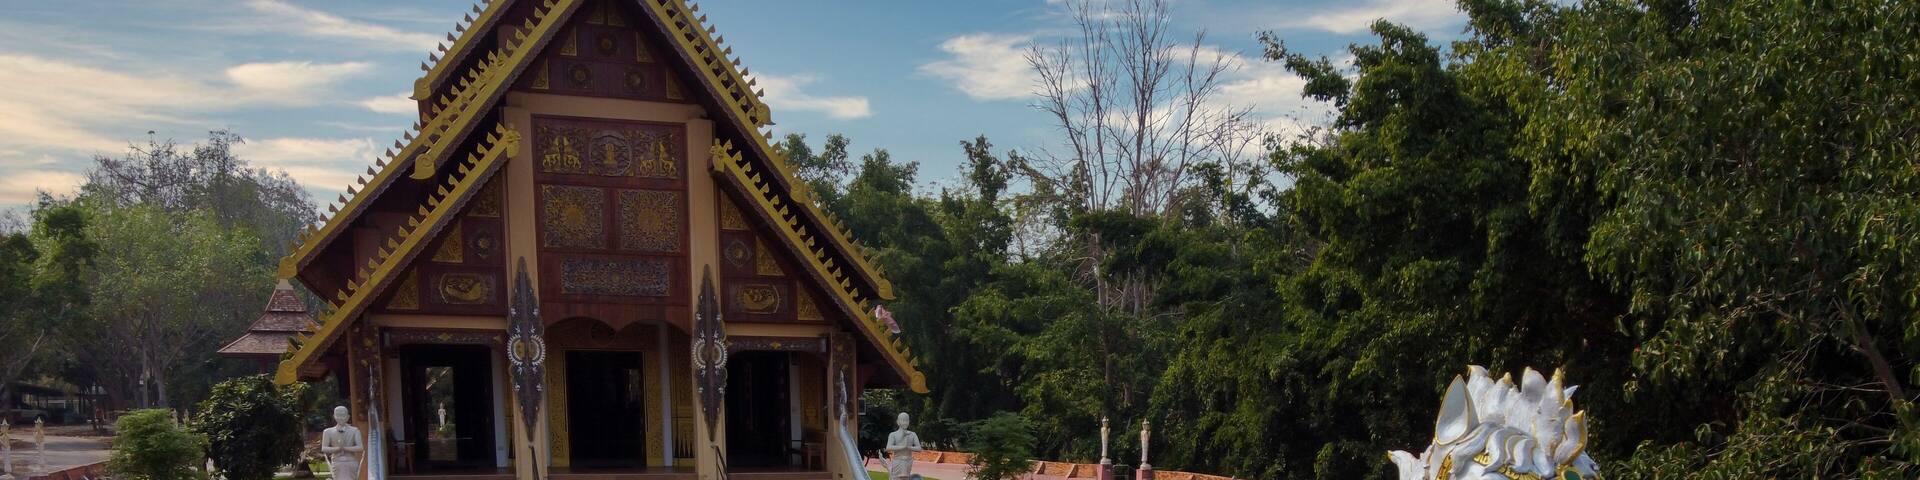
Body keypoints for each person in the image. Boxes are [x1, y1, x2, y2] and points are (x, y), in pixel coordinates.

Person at [320, 406, 364, 480]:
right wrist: (338, 448)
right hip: (337, 462)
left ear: (348, 417)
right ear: (334, 416)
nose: (340, 418)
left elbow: (360, 447)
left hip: (351, 461)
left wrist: (345, 448)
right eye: (338, 415)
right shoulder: (328, 431)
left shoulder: (355, 430)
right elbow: (324, 448)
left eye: (343, 415)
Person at [884, 413, 923, 480]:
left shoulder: (912, 434)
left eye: (907, 420)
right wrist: (902, 447)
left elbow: (919, 448)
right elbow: (888, 447)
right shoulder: (893, 435)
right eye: (903, 420)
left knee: (906, 478)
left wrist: (909, 447)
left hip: (908, 460)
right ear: (898, 422)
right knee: (896, 478)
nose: (905, 422)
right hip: (897, 460)